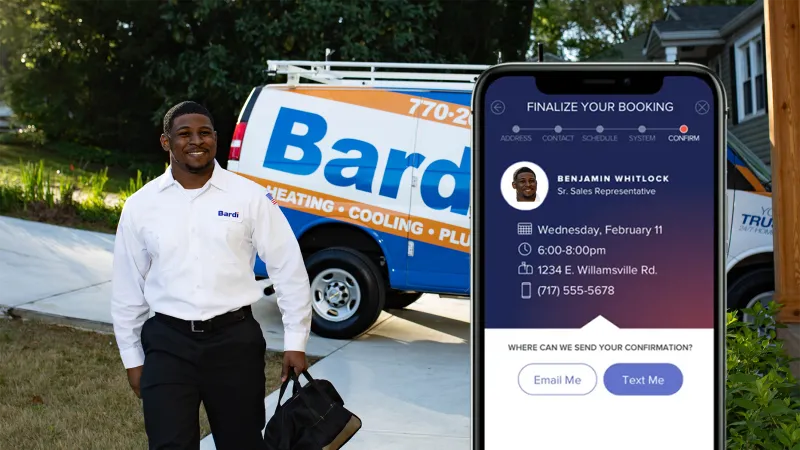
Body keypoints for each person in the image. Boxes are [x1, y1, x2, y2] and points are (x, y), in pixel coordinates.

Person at [110, 101, 312, 450]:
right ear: (166, 142)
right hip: (168, 344)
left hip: (234, 343)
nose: (196, 141)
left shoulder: (249, 196)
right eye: (184, 134)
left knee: (242, 443)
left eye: (204, 133)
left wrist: (296, 340)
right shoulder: (141, 205)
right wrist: (132, 357)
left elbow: (288, 268)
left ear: (216, 139)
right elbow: (128, 287)